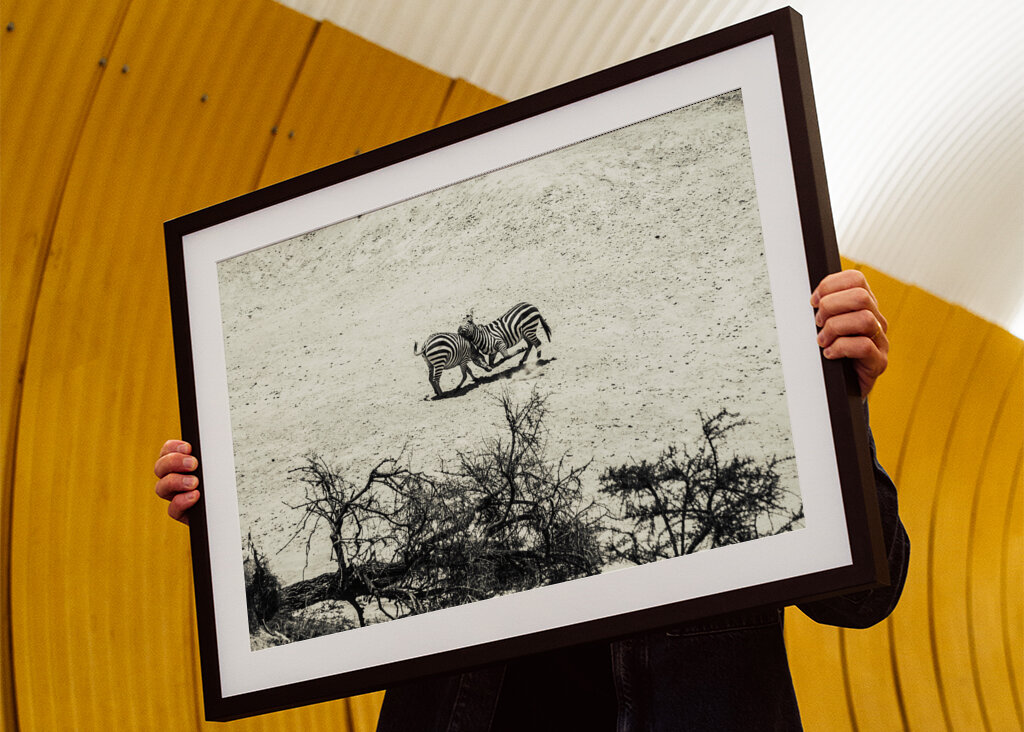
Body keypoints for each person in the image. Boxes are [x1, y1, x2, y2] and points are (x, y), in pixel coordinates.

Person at [155, 269, 909, 731]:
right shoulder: (456, 464)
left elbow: (865, 597)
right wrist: (235, 501)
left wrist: (840, 406)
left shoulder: (729, 410)